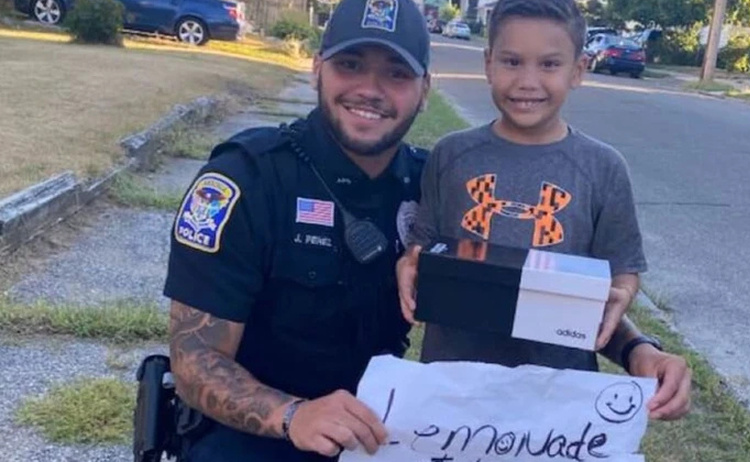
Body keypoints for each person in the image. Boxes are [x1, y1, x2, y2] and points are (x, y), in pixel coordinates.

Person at [161, 0, 433, 460]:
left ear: (425, 90)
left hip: (375, 436)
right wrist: (294, 416)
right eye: (350, 65)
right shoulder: (246, 180)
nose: (370, 89)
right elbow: (194, 363)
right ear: (316, 70)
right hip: (254, 434)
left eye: (396, 74)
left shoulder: (434, 188)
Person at [397, 0, 692, 421]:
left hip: (557, 399)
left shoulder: (603, 168)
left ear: (578, 70)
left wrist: (622, 294)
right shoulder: (451, 156)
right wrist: (411, 263)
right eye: (512, 61)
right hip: (455, 390)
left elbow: (622, 267)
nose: (527, 81)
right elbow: (423, 243)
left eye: (550, 64)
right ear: (488, 63)